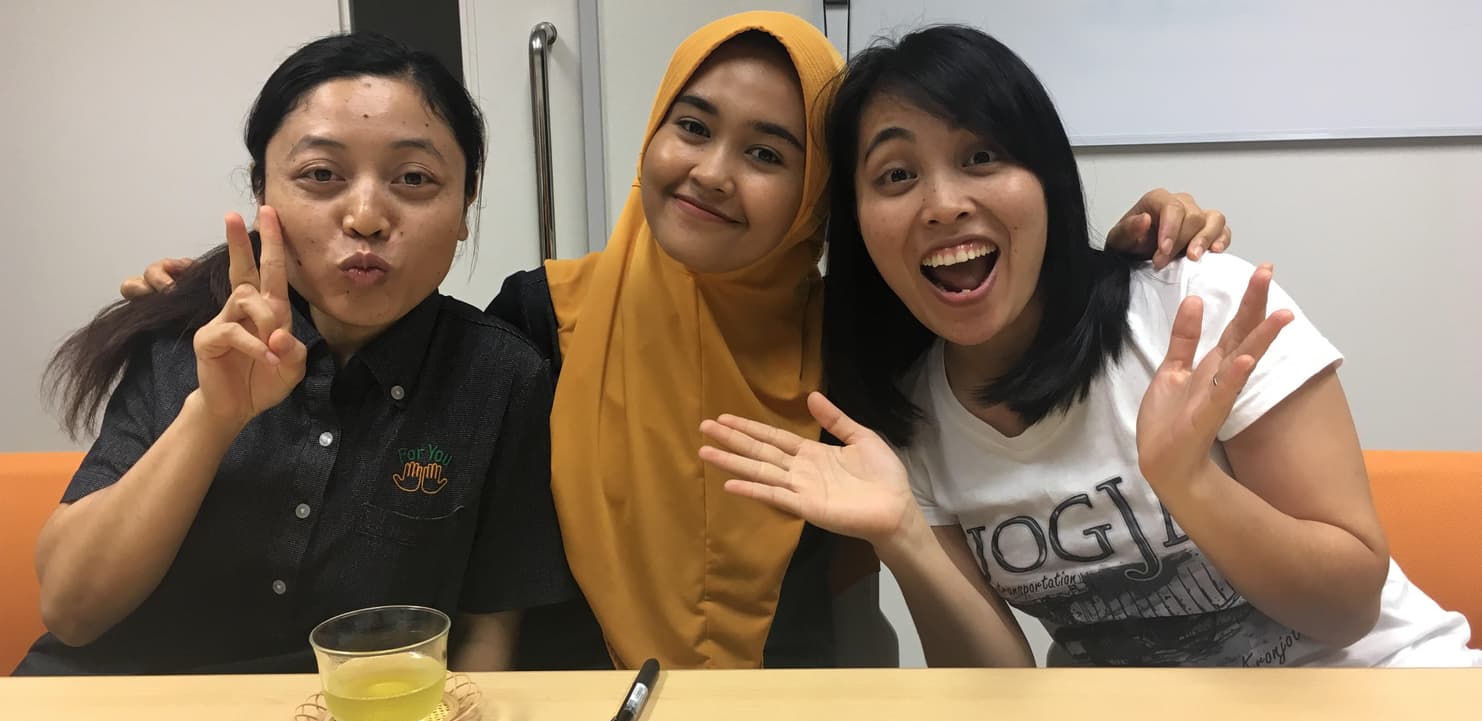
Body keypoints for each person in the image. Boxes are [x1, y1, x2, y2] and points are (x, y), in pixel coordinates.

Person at [115, 13, 1230, 670]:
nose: (708, 168)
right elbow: (380, 317)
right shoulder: (537, 313)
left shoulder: (855, 338)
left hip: (804, 707)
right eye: (691, 127)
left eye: (766, 150)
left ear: (817, 191)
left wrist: (1143, 237)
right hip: (574, 711)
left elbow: (997, 312)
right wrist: (216, 278)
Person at [698, 25, 1481, 667]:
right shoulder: (910, 417)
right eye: (896, 175)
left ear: (1048, 180)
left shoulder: (1193, 307)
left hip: (1390, 696)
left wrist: (1191, 484)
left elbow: (1349, 608)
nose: (942, 204)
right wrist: (903, 532)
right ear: (859, 226)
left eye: (981, 157)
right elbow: (999, 689)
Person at [15, 33, 575, 676]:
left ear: (465, 206)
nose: (366, 216)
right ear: (263, 192)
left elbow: (488, 631)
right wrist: (213, 415)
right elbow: (71, 610)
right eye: (320, 175)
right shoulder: (190, 341)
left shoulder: (502, 378)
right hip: (115, 720)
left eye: (414, 178)